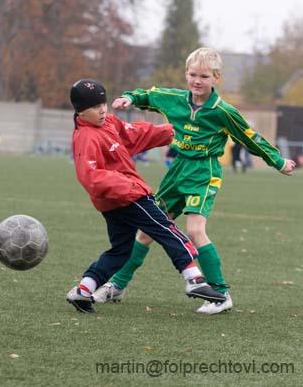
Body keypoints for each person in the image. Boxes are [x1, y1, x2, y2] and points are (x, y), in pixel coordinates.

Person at [93, 47, 296, 315]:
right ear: (186, 74)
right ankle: (118, 284)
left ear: (216, 78)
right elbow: (150, 95)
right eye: (192, 74)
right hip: (178, 170)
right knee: (147, 230)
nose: (197, 81)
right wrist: (129, 98)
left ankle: (221, 295)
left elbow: (250, 137)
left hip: (204, 172)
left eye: (204, 76)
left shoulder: (223, 111)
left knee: (195, 230)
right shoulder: (174, 99)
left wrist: (278, 161)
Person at [66, 78, 226, 314]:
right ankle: (194, 279)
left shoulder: (108, 123)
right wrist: (129, 186)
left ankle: (84, 289)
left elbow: (134, 134)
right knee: (165, 228)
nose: (102, 110)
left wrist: (172, 131)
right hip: (127, 197)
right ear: (80, 111)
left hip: (118, 200)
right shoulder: (86, 137)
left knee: (122, 250)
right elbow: (90, 176)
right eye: (94, 107)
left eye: (103, 103)